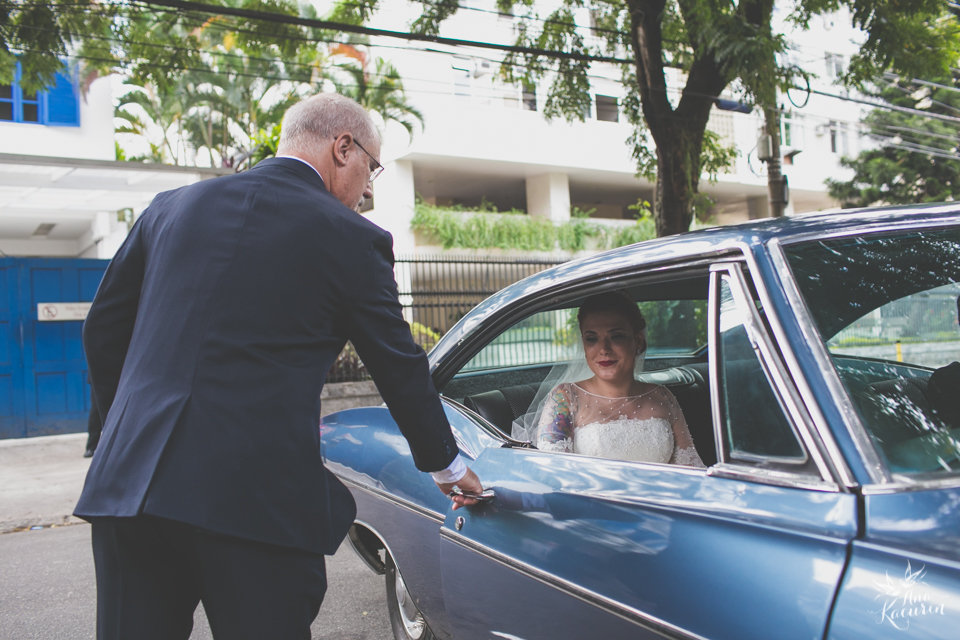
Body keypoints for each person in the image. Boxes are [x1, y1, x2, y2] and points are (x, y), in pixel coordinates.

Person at [75, 93, 482, 640]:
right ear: (343, 148)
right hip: (252, 502)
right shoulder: (352, 238)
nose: (368, 189)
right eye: (371, 169)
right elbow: (398, 364)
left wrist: (126, 433)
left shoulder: (170, 208)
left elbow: (103, 331)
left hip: (129, 487)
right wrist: (449, 468)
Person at [533, 291, 704, 467]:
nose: (604, 349)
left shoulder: (664, 397)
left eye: (616, 336)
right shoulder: (565, 398)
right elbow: (552, 472)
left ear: (638, 340)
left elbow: (691, 468)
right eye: (592, 339)